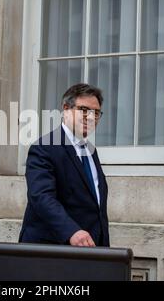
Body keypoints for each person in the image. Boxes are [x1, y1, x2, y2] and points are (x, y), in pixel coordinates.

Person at [19, 83, 109, 247]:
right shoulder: (44, 148)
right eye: (83, 109)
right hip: (52, 250)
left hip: (91, 250)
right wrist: (71, 231)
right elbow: (41, 197)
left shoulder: (91, 151)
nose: (90, 117)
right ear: (66, 109)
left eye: (96, 112)